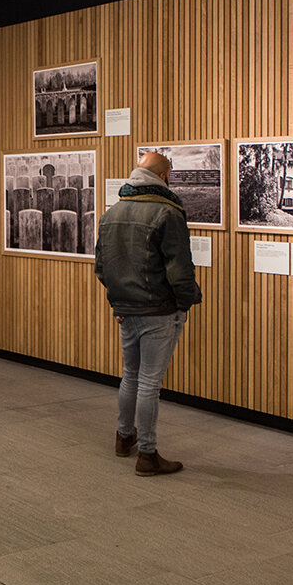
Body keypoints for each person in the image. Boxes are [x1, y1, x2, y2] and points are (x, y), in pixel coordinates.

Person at [93, 150, 202, 475]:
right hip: (159, 310)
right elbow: (179, 270)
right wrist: (186, 301)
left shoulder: (111, 213)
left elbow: (102, 267)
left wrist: (120, 301)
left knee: (131, 376)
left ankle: (124, 437)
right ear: (164, 177)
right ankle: (148, 454)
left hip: (126, 310)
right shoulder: (168, 213)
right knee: (150, 383)